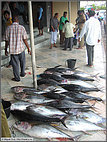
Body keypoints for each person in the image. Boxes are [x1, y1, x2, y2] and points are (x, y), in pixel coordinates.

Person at [5, 15, 31, 82]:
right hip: (21, 49)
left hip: (13, 51)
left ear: (12, 21)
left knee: (15, 65)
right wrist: (28, 48)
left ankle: (17, 78)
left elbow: (6, 41)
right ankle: (22, 73)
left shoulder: (8, 28)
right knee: (23, 62)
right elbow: (25, 39)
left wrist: (5, 49)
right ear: (18, 20)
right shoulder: (22, 28)